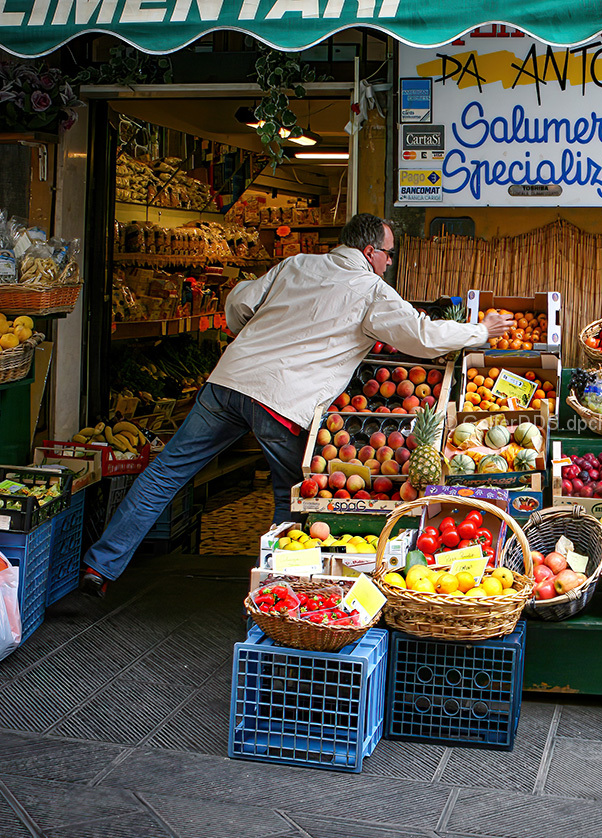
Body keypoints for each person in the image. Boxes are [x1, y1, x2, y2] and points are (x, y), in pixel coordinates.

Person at [80, 214, 513, 597]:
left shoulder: (297, 263)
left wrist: (257, 338)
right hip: (282, 403)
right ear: (369, 252)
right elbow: (421, 336)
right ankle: (279, 600)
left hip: (228, 381)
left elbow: (240, 302)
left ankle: (99, 567)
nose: (389, 263)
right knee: (292, 499)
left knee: (165, 473)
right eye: (388, 255)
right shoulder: (369, 289)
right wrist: (480, 331)